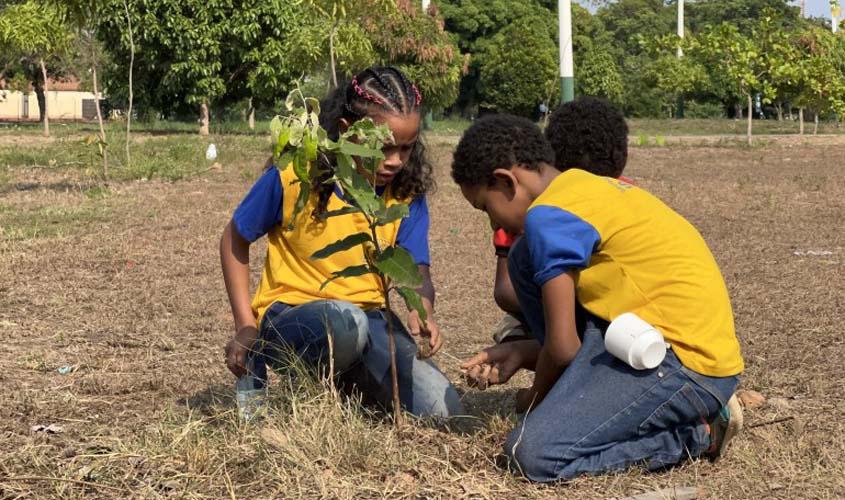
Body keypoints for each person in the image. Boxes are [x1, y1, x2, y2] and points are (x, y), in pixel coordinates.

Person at [452, 114, 744, 481]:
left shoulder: (548, 218)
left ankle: (698, 433)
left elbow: (563, 348)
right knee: (524, 256)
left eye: (485, 207)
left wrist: (535, 401)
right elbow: (568, 338)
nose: (493, 224)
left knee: (533, 454)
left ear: (505, 181)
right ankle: (575, 396)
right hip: (660, 344)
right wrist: (522, 352)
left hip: (688, 367)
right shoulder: (583, 186)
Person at [220, 66, 463, 418]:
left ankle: (349, 384)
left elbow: (415, 267)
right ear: (349, 131)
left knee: (444, 411)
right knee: (347, 323)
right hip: (291, 316)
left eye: (407, 149)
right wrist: (245, 324)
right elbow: (233, 240)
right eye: (385, 147)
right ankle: (303, 374)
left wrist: (421, 306)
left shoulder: (405, 194)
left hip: (370, 318)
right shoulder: (296, 176)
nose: (396, 161)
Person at [490, 97, 632, 345]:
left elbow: (504, 291)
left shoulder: (541, 208)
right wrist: (557, 294)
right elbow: (506, 292)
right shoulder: (528, 212)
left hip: (614, 318)